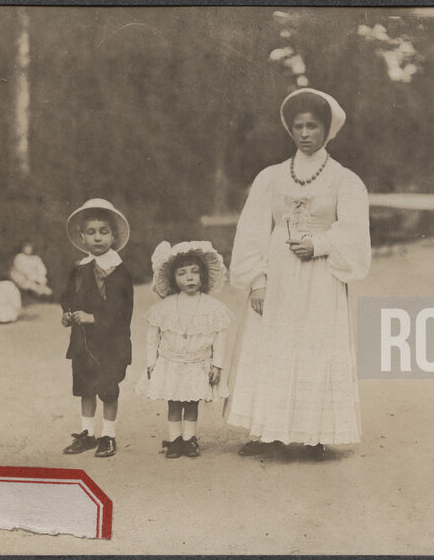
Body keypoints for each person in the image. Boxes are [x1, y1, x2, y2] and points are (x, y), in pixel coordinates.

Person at [226, 87, 372, 460]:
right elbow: (253, 230)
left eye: (313, 126)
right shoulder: (271, 178)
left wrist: (320, 245)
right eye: (298, 126)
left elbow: (355, 231)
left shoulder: (344, 179)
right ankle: (267, 430)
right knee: (271, 346)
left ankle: (314, 434)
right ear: (290, 130)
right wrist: (257, 280)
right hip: (277, 277)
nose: (305, 134)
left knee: (315, 346)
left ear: (328, 129)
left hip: (320, 277)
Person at [136, 241, 233, 458]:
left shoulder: (213, 308)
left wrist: (217, 365)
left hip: (197, 364)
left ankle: (189, 439)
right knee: (173, 401)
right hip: (171, 362)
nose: (189, 277)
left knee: (191, 402)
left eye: (195, 272)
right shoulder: (164, 307)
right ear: (173, 278)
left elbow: (221, 338)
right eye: (182, 273)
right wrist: (152, 363)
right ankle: (174, 439)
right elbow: (152, 337)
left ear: (203, 276)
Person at [59, 198, 134, 458]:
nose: (98, 238)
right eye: (91, 232)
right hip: (82, 342)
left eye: (104, 232)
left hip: (109, 342)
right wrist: (67, 313)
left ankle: (108, 436)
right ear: (82, 237)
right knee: (85, 387)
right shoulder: (79, 268)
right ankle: (87, 433)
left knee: (108, 388)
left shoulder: (118, 270)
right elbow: (67, 295)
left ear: (114, 236)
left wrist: (95, 318)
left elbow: (122, 310)